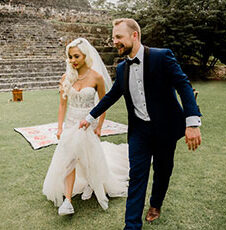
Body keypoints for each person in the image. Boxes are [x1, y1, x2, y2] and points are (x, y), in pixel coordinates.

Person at [79, 18, 202, 229]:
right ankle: (132, 225)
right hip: (139, 131)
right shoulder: (120, 69)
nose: (114, 41)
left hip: (165, 129)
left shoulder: (161, 57)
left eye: (118, 37)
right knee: (137, 175)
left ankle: (156, 204)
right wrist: (90, 117)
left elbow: (183, 84)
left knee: (163, 171)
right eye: (113, 37)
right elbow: (111, 95)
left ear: (134, 35)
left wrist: (192, 123)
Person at [42, 38, 129, 216]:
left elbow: (105, 103)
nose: (73, 60)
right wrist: (59, 128)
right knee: (69, 160)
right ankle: (67, 200)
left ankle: (91, 183)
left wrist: (99, 127)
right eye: (70, 57)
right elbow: (62, 105)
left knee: (89, 158)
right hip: (71, 124)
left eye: (76, 56)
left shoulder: (96, 77)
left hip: (90, 123)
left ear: (85, 56)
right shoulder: (66, 78)